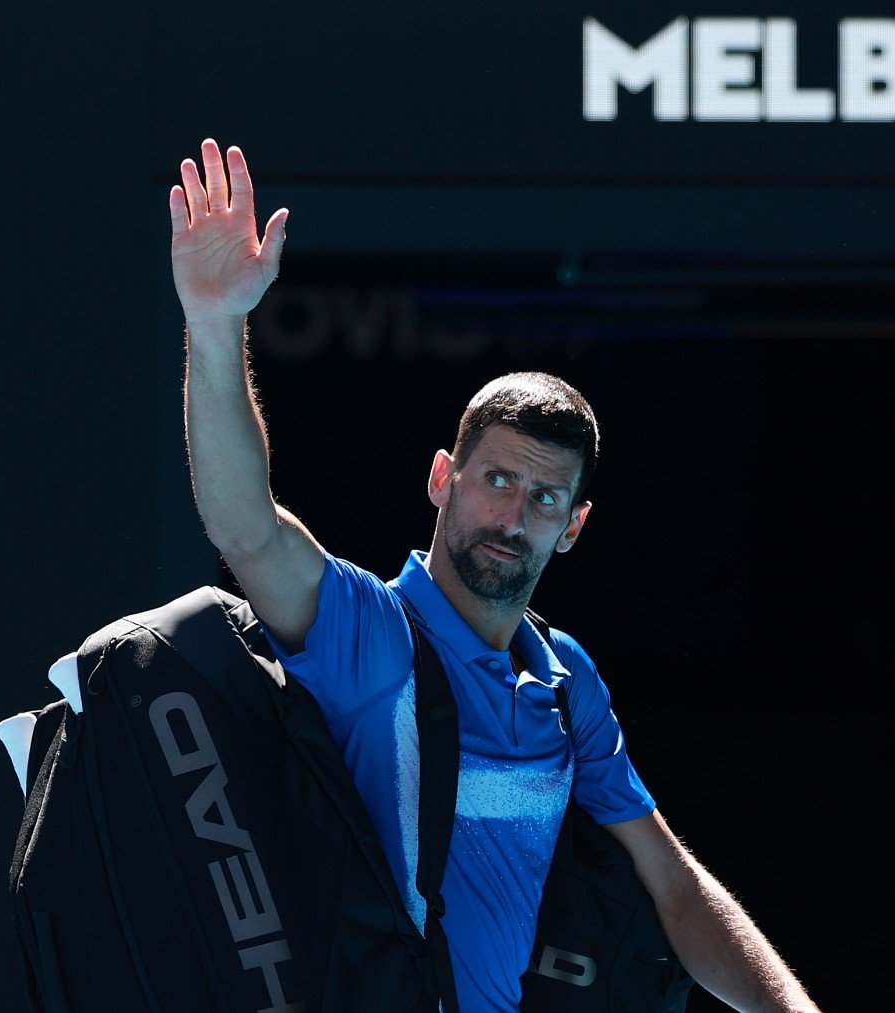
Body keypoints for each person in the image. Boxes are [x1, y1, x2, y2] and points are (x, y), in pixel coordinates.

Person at [170, 138, 820, 1013]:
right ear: (444, 478)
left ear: (574, 526)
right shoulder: (368, 636)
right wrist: (215, 324)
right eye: (498, 480)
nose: (514, 518)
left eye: (546, 497)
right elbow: (244, 525)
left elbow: (671, 884)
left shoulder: (566, 681)